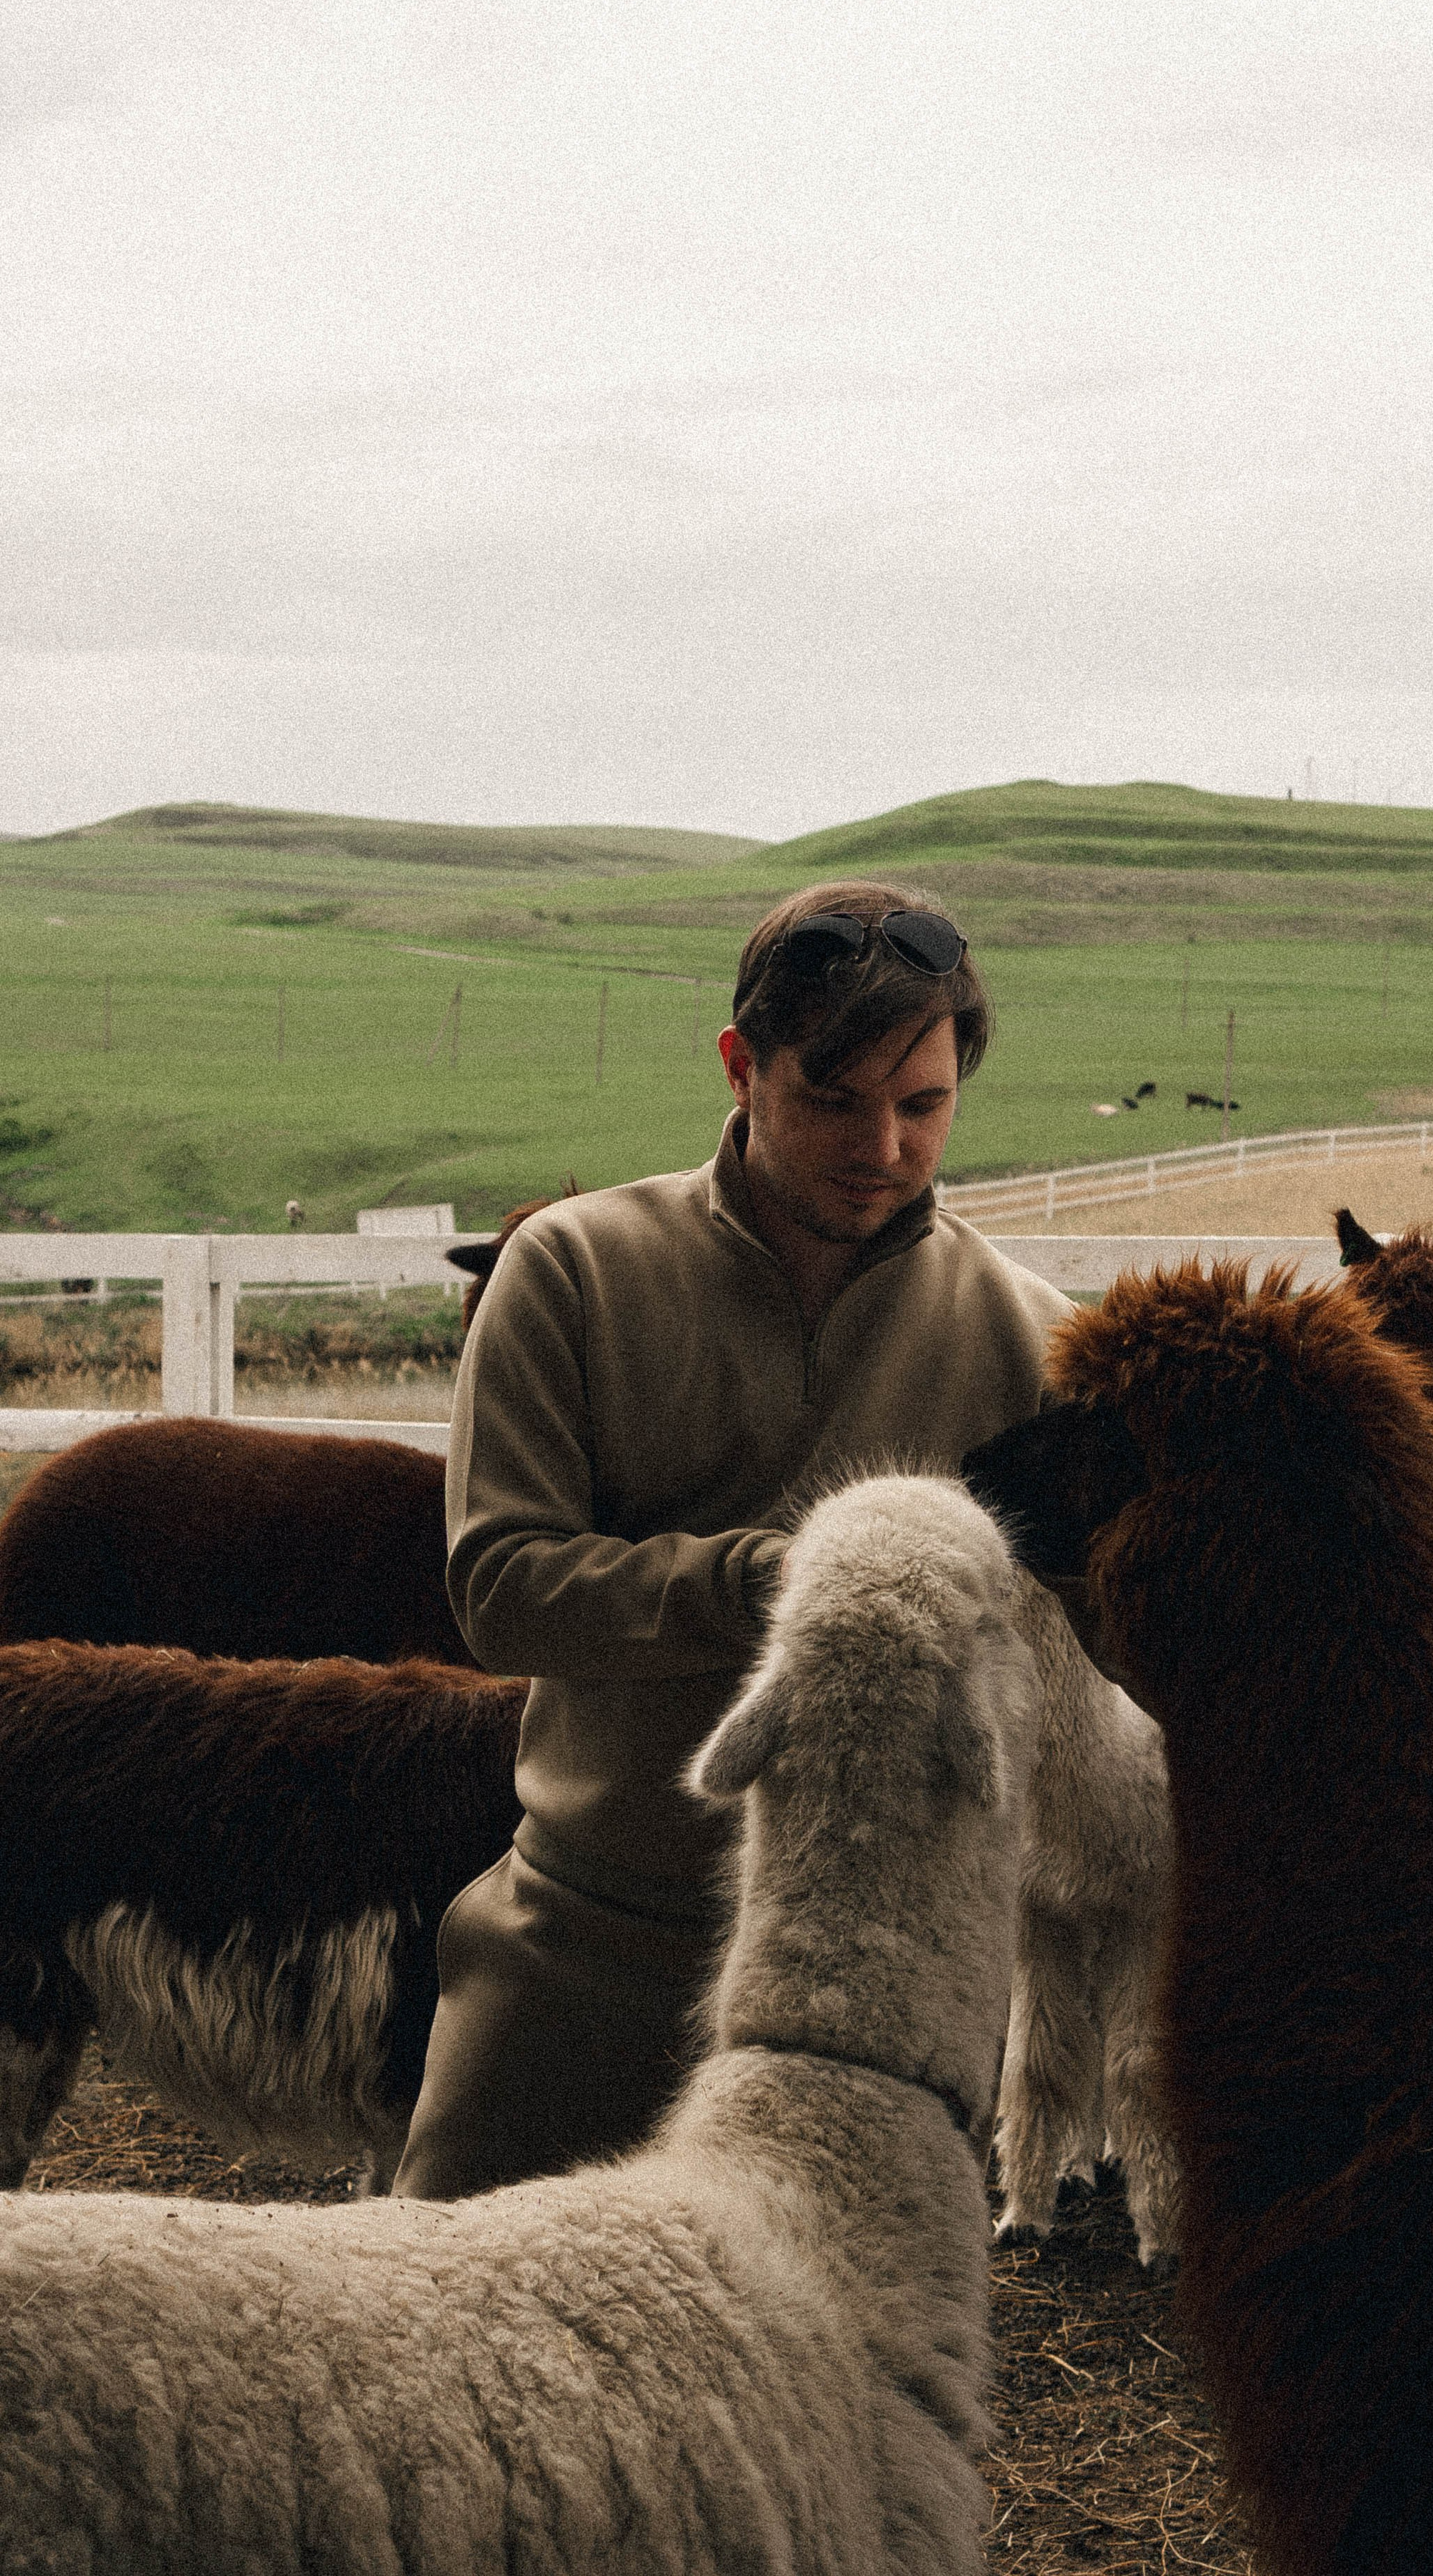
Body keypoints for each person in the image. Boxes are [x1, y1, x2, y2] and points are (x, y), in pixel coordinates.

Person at [393, 879, 1074, 2200]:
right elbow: (501, 1588)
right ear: (740, 1065)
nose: (882, 1143)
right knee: (451, 2359)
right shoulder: (574, 1274)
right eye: (832, 1097)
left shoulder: (1031, 1339)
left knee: (841, 2400)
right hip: (585, 1949)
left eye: (922, 1103)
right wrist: (796, 1580)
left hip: (878, 2009)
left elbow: (1122, 1641)